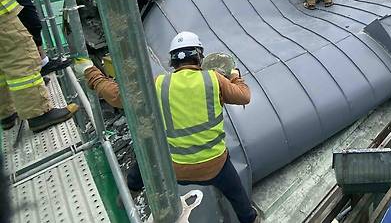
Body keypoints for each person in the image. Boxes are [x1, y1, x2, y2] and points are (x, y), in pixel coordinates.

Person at [78, 33, 258, 223]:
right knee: (236, 192)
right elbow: (244, 96)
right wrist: (235, 76)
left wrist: (91, 72)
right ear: (199, 57)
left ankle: (130, 190)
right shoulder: (214, 80)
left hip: (175, 170)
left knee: (148, 154)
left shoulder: (158, 84)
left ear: (173, 61)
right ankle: (249, 218)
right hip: (215, 167)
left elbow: (115, 95)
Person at [0, 0, 78, 132]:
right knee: (21, 59)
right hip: (3, 24)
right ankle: (39, 114)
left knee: (2, 65)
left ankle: (6, 113)